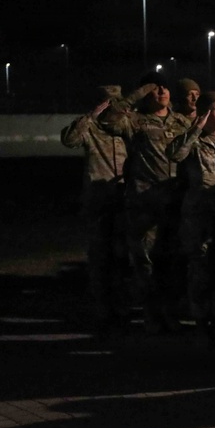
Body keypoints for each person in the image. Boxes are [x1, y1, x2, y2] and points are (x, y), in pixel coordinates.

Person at [99, 73, 193, 334]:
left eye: (164, 87)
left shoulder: (181, 121)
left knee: (173, 261)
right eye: (154, 88)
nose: (161, 91)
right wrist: (137, 94)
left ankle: (170, 313)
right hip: (145, 203)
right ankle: (152, 315)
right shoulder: (135, 121)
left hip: (175, 202)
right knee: (146, 262)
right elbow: (107, 121)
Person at [165, 90, 215, 348]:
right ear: (205, 113)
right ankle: (202, 323)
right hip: (200, 215)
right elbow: (174, 154)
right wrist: (196, 128)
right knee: (201, 271)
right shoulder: (193, 141)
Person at [60, 84, 129, 336]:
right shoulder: (91, 128)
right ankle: (103, 309)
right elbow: (69, 140)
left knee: (122, 257)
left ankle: (121, 308)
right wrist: (91, 116)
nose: (113, 107)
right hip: (99, 202)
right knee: (100, 258)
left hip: (124, 199)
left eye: (116, 102)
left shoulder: (126, 127)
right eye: (108, 103)